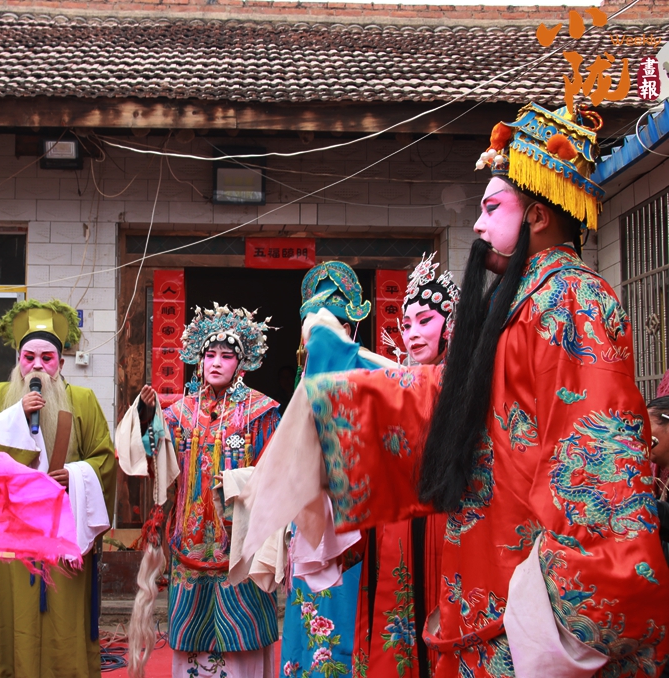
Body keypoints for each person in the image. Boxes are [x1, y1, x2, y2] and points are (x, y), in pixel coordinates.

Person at [237, 103, 669, 674]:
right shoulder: (517, 307)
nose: (478, 226)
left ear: (538, 216)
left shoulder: (573, 302)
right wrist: (346, 371)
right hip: (485, 564)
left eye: (492, 208)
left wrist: (576, 593)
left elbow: (595, 455)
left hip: (529, 583)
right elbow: (442, 399)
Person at [0, 299, 116, 678]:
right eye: (29, 357)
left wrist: (77, 475)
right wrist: (15, 415)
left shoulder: (82, 400)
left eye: (47, 358)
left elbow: (104, 459)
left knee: (63, 618)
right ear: (18, 361)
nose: (37, 366)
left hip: (65, 527)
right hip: (13, 531)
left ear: (61, 363)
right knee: (11, 613)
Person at [137, 304, 281, 678]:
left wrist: (239, 484)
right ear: (198, 360)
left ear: (241, 362)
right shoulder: (179, 413)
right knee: (193, 639)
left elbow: (276, 473)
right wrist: (146, 421)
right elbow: (159, 467)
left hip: (240, 543)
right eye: (209, 354)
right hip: (190, 542)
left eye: (226, 356)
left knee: (242, 637)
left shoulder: (262, 412)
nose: (216, 362)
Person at [348, 254, 458, 678]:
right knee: (392, 617)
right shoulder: (397, 384)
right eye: (406, 324)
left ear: (450, 324)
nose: (411, 333)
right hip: (393, 526)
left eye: (425, 321)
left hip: (449, 521)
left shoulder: (469, 384)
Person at [280, 261, 375, 678]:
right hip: (310, 520)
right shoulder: (304, 384)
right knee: (308, 618)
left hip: (357, 520)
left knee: (350, 617)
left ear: (349, 330)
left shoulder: (371, 373)